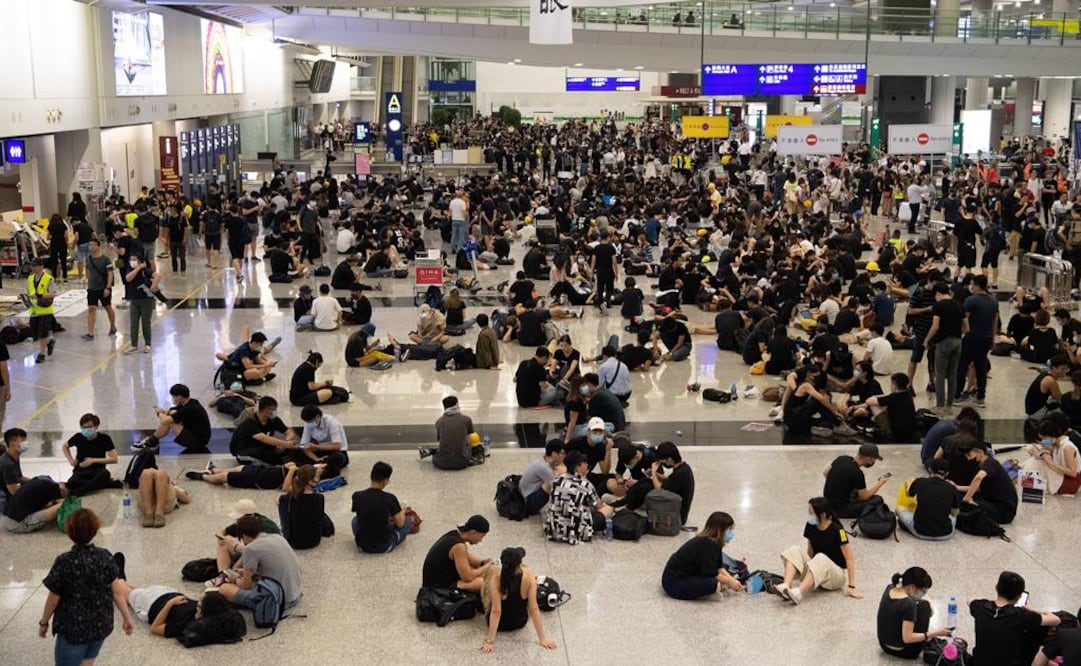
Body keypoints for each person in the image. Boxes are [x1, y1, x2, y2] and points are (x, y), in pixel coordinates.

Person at [40, 508, 134, 666]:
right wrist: (127, 618)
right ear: (95, 530)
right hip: (100, 626)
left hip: (72, 629)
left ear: (69, 532)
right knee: (87, 662)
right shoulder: (105, 556)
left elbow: (53, 599)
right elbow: (117, 592)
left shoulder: (64, 561)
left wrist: (44, 622)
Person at [778, 497, 860, 605]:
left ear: (822, 515)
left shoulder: (839, 531)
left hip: (836, 576)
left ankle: (798, 593)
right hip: (819, 569)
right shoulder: (810, 525)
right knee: (794, 550)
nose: (809, 516)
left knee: (821, 557)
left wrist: (851, 586)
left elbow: (849, 559)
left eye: (811, 513)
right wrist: (807, 570)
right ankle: (786, 587)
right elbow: (810, 551)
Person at [213, 515, 304, 611]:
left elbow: (246, 586)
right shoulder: (277, 537)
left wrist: (234, 578)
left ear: (244, 536)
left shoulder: (251, 548)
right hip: (296, 594)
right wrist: (244, 572)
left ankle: (223, 579)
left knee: (224, 589)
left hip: (278, 601)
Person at [970, 571, 1061, 666]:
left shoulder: (980, 607)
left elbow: (970, 599)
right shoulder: (1022, 615)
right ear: (1019, 596)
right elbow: (1056, 620)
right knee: (1040, 626)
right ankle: (1037, 659)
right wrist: (1032, 610)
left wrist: (990, 603)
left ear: (996, 587)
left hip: (979, 662)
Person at [480, 547, 557, 653]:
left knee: (490, 574)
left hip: (500, 625)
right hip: (520, 621)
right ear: (519, 564)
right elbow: (534, 609)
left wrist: (490, 641)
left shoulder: (496, 579)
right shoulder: (529, 577)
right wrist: (543, 639)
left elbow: (496, 611)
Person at [661, 511, 743, 600]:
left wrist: (731, 580)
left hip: (688, 573)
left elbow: (719, 566)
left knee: (725, 573)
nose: (731, 533)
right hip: (674, 583)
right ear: (720, 530)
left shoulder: (715, 543)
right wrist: (730, 582)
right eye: (729, 529)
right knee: (713, 583)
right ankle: (707, 592)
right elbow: (711, 573)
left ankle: (709, 589)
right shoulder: (707, 545)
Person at [116, 582, 234, 641]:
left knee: (124, 591)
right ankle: (118, 579)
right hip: (166, 593)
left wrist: (170, 604)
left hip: (149, 604)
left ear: (202, 612)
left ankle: (115, 578)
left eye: (199, 605)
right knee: (134, 590)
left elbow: (155, 628)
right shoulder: (213, 613)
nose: (198, 602)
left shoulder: (182, 624)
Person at [877, 567, 950, 659]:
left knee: (922, 603)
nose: (923, 593)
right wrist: (936, 633)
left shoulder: (890, 587)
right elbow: (908, 638)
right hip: (905, 651)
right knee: (924, 606)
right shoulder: (909, 604)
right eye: (923, 591)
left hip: (884, 645)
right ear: (912, 587)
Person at [543, 451, 613, 544]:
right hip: (576, 530)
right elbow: (598, 506)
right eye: (584, 463)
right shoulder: (585, 484)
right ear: (577, 467)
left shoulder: (556, 480)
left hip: (555, 528)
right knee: (608, 509)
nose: (587, 465)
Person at [351, 461, 412, 553]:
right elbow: (400, 524)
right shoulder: (390, 498)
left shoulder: (357, 496)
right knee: (407, 521)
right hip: (385, 545)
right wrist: (402, 509)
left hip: (362, 545)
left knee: (355, 520)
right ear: (386, 481)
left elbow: (364, 513)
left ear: (371, 476)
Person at [421, 514, 492, 592]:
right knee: (481, 583)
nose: (481, 540)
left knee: (477, 571)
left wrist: (481, 563)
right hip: (436, 587)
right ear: (473, 532)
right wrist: (486, 567)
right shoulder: (458, 546)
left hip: (438, 578)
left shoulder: (455, 534)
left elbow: (466, 556)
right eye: (481, 537)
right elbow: (468, 577)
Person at [134, 384, 212, 453]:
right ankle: (152, 441)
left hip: (197, 442)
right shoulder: (191, 402)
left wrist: (159, 412)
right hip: (199, 437)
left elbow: (164, 421)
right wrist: (166, 412)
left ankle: (151, 442)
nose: (172, 398)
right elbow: (172, 411)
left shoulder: (189, 409)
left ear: (179, 397)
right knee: (171, 416)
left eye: (173, 396)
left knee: (170, 422)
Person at [923, 282, 964, 409]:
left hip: (944, 342)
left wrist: (926, 340)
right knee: (952, 375)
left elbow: (935, 326)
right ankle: (949, 405)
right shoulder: (959, 305)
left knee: (940, 375)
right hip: (958, 342)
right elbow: (967, 327)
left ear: (938, 293)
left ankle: (940, 405)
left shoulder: (938, 306)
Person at [897, 458, 960, 540]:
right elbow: (955, 513)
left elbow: (908, 495)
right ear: (947, 473)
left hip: (920, 531)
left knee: (899, 509)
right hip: (945, 534)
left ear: (930, 469)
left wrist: (908, 486)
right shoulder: (952, 488)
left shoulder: (919, 482)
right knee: (954, 516)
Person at [822, 443, 889, 519]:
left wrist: (837, 485)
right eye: (873, 460)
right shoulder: (857, 473)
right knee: (878, 499)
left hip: (827, 503)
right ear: (868, 459)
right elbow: (864, 497)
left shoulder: (842, 458)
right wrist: (881, 482)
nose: (872, 462)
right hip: (840, 510)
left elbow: (825, 472)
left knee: (856, 491)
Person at [958, 442, 1018, 524]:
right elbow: (977, 488)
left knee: (966, 506)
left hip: (1004, 511)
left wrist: (967, 498)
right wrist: (956, 487)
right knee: (960, 498)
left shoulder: (990, 464)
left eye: (969, 455)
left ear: (980, 453)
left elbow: (978, 477)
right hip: (994, 501)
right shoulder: (983, 464)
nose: (968, 459)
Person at [63, 414, 121, 496]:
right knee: (73, 481)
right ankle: (104, 484)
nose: (86, 430)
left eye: (89, 427)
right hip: (81, 470)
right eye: (84, 427)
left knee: (105, 474)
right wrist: (71, 460)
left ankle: (80, 491)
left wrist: (93, 460)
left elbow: (114, 459)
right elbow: (65, 446)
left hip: (98, 470)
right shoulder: (78, 437)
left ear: (96, 426)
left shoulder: (104, 438)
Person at [231, 396, 298, 465]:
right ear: (264, 410)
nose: (274, 412)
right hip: (246, 452)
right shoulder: (250, 422)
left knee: (293, 450)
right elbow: (263, 438)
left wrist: (285, 443)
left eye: (275, 409)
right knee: (267, 457)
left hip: (263, 449)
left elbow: (289, 432)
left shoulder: (274, 419)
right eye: (272, 410)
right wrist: (284, 444)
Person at [277, 463, 328, 550]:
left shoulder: (287, 498)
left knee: (281, 502)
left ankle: (284, 530)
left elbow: (285, 488)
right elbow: (320, 518)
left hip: (292, 541)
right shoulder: (319, 498)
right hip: (314, 540)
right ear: (310, 481)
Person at [121, 254, 158, 355]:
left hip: (146, 300)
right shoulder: (130, 270)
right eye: (131, 259)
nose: (132, 261)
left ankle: (148, 344)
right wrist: (137, 268)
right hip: (134, 300)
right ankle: (134, 345)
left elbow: (157, 276)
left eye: (134, 259)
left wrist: (153, 286)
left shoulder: (146, 271)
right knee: (134, 323)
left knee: (146, 323)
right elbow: (128, 278)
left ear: (139, 261)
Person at [519, 440, 566, 516]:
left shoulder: (542, 461)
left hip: (525, 496)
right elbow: (557, 485)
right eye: (563, 453)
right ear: (554, 454)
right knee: (550, 484)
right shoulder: (543, 467)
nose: (564, 456)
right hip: (528, 504)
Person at [83, 238, 117, 340]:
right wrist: (88, 282)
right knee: (91, 308)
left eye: (93, 245)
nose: (91, 247)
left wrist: (108, 287)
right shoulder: (88, 258)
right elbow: (87, 270)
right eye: (90, 245)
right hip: (92, 288)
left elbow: (110, 274)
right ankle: (90, 332)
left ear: (98, 246)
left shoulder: (105, 259)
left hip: (103, 288)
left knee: (108, 307)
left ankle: (113, 326)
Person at [27, 257, 58, 364]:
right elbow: (29, 292)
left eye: (35, 265)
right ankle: (50, 340)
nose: (33, 268)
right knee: (35, 330)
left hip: (45, 310)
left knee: (42, 333)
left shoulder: (48, 278)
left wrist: (40, 295)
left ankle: (42, 354)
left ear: (41, 266)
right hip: (34, 309)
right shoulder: (30, 278)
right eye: (32, 265)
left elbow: (53, 293)